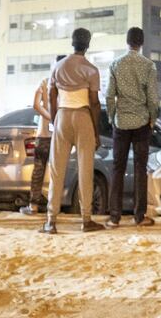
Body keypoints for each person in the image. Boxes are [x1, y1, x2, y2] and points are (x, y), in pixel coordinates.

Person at [42, 28, 104, 234]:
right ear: (88, 44)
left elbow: (51, 95)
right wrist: (96, 132)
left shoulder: (58, 66)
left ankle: (51, 220)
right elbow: (94, 103)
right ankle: (86, 219)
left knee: (56, 170)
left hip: (62, 116)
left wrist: (54, 119)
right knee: (85, 169)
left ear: (72, 42)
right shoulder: (91, 69)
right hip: (83, 117)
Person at [106, 26, 159, 227]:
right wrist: (152, 118)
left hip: (121, 122)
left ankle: (114, 216)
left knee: (117, 168)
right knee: (140, 168)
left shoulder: (115, 65)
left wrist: (112, 117)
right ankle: (139, 215)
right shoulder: (148, 65)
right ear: (141, 43)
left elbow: (110, 95)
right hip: (141, 123)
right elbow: (153, 99)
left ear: (127, 42)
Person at [21, 57, 64, 216]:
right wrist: (56, 119)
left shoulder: (45, 82)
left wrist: (48, 116)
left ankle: (33, 205)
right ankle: (54, 205)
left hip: (43, 135)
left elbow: (35, 104)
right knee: (57, 172)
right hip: (60, 136)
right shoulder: (66, 85)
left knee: (38, 170)